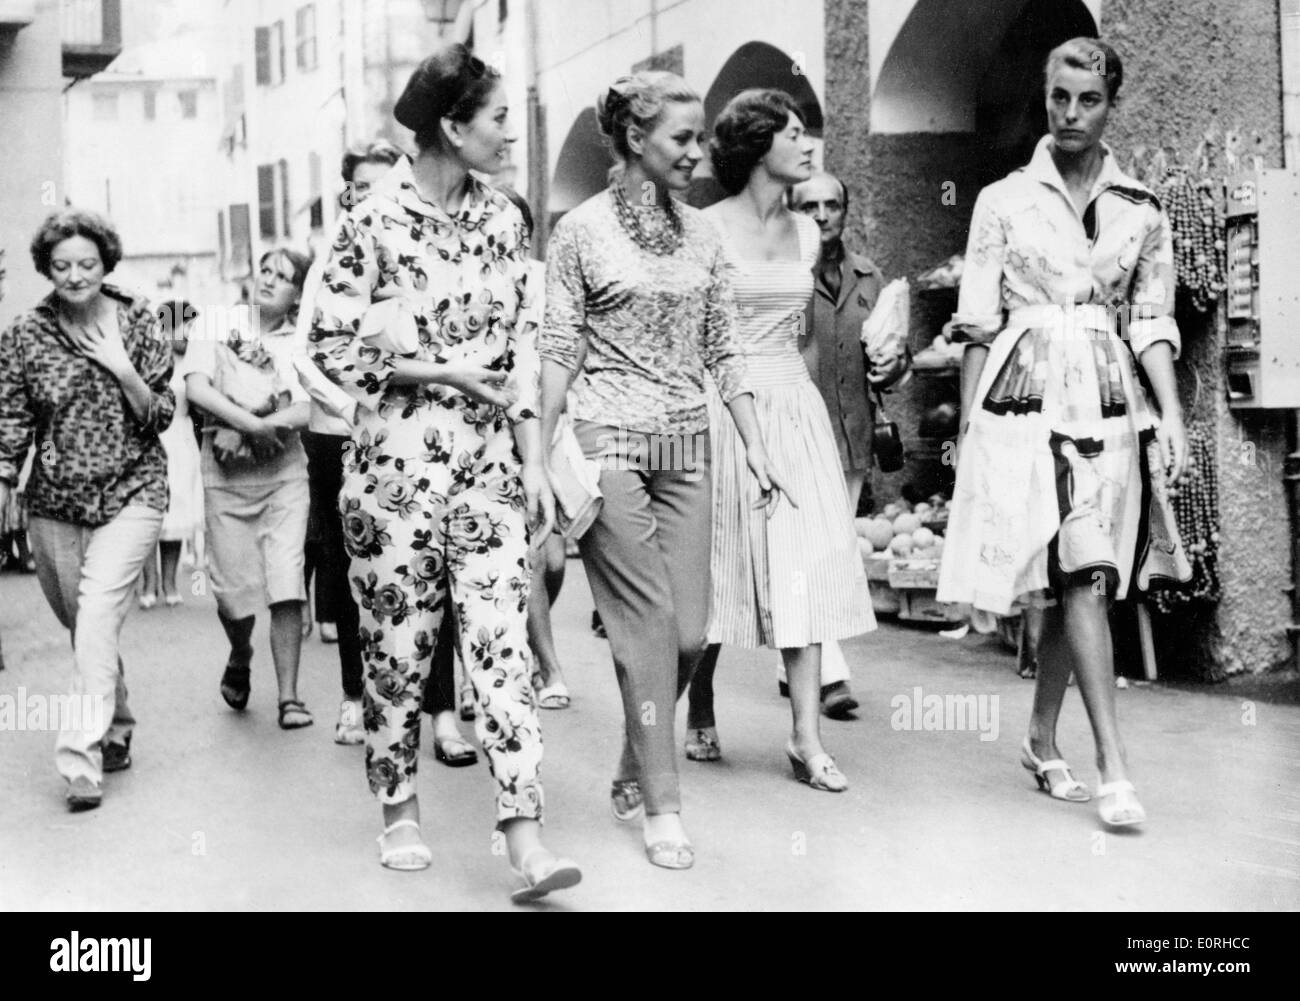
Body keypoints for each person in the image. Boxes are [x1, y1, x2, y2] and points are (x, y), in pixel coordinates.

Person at [310, 43, 580, 902]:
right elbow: (328, 345)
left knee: (501, 644)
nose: (510, 134)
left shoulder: (507, 219)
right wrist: (439, 372)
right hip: (391, 471)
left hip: (490, 466)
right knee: (398, 646)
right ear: (451, 127)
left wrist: (535, 461)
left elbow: (528, 343)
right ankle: (399, 807)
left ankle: (525, 839)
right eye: (498, 119)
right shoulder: (370, 220)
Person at [936, 38, 1192, 828]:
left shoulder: (1142, 208)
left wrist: (1172, 417)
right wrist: (971, 427)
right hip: (1020, 401)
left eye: (1088, 100)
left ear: (1112, 103)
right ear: (1043, 99)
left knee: (1083, 570)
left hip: (1108, 402)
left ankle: (1044, 737)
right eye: (1059, 98)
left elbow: (1151, 320)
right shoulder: (1003, 201)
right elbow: (977, 323)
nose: (1071, 114)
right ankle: (1115, 765)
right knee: (1072, 572)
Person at [540, 71, 788, 869]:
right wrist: (535, 456)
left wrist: (754, 440)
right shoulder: (578, 231)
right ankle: (663, 804)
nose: (697, 151)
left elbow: (725, 345)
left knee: (688, 634)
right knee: (647, 628)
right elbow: (555, 348)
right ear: (635, 141)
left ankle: (632, 757)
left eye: (699, 136)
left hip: (688, 444)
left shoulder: (705, 235)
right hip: (608, 441)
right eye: (681, 138)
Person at [682, 90, 874, 790]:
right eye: (794, 133)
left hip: (794, 407)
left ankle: (805, 737)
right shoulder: (702, 228)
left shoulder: (809, 233)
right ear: (759, 144)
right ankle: (699, 697)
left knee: (807, 565)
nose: (808, 144)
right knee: (719, 567)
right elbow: (694, 340)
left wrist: (821, 422)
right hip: (725, 410)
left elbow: (807, 341)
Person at [0, 209, 175, 810]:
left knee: (97, 616)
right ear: (46, 268)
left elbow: (162, 414)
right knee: (83, 624)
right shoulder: (25, 332)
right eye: (62, 265)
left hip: (134, 490)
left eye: (87, 264)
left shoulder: (139, 319)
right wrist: (3, 478)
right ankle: (119, 723)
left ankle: (81, 758)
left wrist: (122, 367)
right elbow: (11, 418)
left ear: (107, 263)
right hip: (54, 500)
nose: (75, 276)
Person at [294, 138, 405, 744]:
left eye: (384, 184)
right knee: (345, 564)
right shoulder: (330, 260)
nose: (372, 196)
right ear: (347, 192)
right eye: (361, 185)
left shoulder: (415, 252)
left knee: (412, 563)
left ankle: (423, 696)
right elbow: (307, 357)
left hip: (410, 436)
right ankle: (352, 695)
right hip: (338, 435)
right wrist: (356, 407)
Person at [789, 170, 910, 718]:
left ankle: (790, 661)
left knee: (831, 549)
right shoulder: (783, 273)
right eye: (808, 205)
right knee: (813, 550)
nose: (821, 215)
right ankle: (829, 671)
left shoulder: (870, 277)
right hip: (796, 432)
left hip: (853, 432)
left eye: (831, 204)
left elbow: (891, 361)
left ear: (845, 210)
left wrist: (893, 364)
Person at [184, 247, 315, 731]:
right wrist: (250, 424)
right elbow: (198, 390)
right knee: (233, 596)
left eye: (283, 277)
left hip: (284, 476)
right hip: (225, 476)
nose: (269, 280)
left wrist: (263, 428)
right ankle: (240, 654)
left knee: (287, 580)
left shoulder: (302, 339)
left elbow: (306, 409)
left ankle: (289, 697)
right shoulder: (215, 324)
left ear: (298, 293)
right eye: (266, 270)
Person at [140, 299, 204, 609]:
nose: (188, 333)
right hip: (155, 440)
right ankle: (149, 583)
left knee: (177, 512)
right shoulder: (151, 362)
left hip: (181, 440)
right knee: (150, 513)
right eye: (184, 326)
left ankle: (169, 582)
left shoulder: (194, 363)